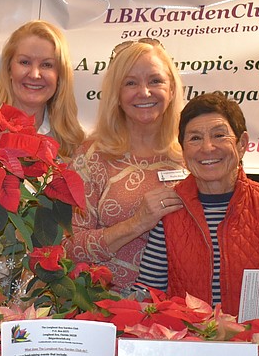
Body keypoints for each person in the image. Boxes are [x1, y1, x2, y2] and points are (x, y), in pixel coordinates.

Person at [136, 91, 259, 317]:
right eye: (194, 138)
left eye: (219, 135)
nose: (208, 147)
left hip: (254, 343)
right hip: (189, 344)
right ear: (183, 150)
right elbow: (150, 292)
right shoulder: (170, 208)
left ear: (242, 144)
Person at [64, 38, 185, 293]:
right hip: (106, 309)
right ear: (116, 95)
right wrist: (137, 222)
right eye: (130, 83)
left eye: (155, 81)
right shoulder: (91, 157)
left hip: (181, 311)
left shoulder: (191, 155)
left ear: (172, 89)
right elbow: (69, 247)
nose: (144, 92)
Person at [0, 20, 85, 158]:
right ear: (9, 69)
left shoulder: (74, 144)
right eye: (25, 62)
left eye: (46, 65)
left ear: (60, 75)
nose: (34, 75)